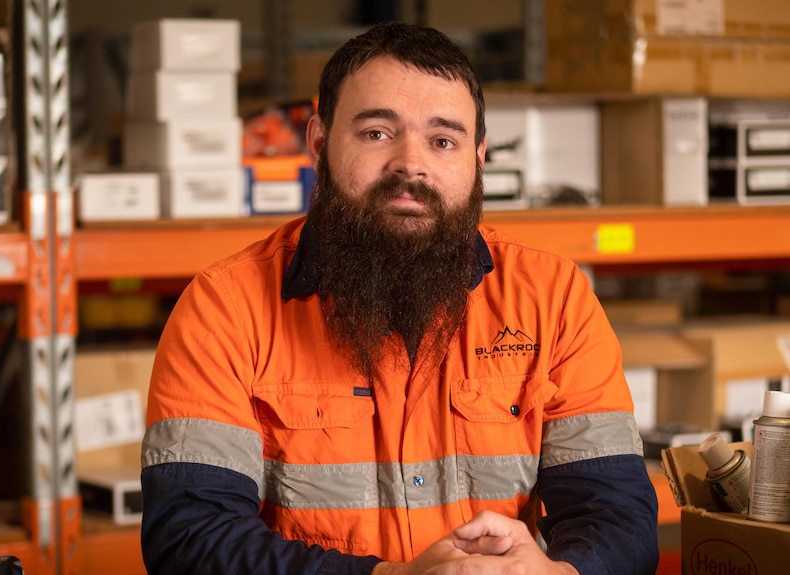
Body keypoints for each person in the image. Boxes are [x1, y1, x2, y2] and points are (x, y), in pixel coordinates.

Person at [140, 21, 659, 575]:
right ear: (319, 142)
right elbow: (189, 538)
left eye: (443, 141)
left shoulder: (553, 299)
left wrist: (560, 574)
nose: (411, 165)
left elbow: (617, 514)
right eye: (377, 133)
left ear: (479, 157)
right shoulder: (224, 308)